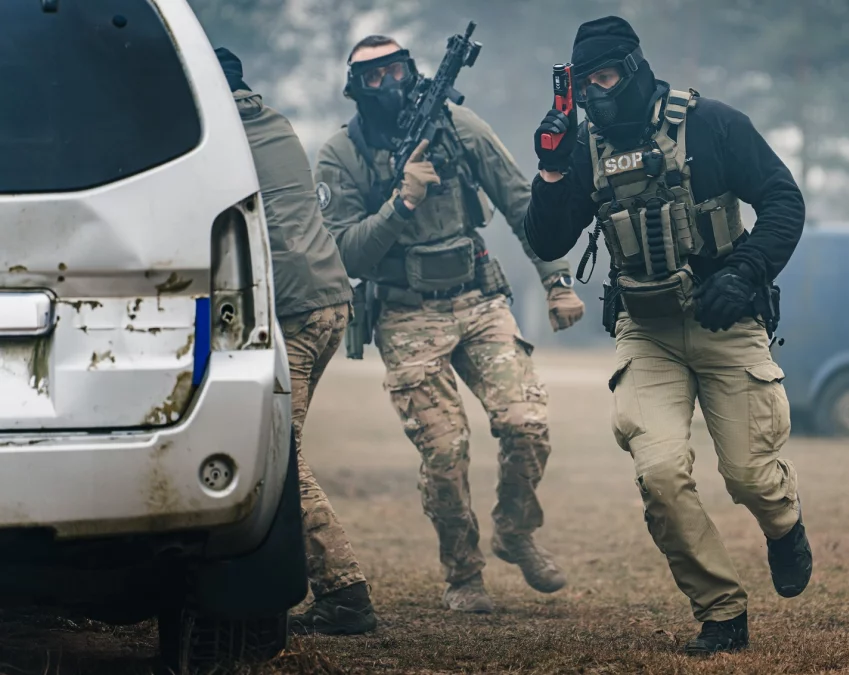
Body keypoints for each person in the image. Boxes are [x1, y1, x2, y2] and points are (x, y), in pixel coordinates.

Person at [523, 17, 813, 655]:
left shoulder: (712, 124)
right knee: (658, 473)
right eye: (583, 83)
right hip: (646, 330)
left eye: (604, 77)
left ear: (632, 69)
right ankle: (721, 611)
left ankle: (785, 523)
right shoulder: (585, 147)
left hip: (727, 318)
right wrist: (550, 169)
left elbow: (784, 201)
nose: (595, 93)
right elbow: (547, 240)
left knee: (749, 475)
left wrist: (744, 271)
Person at [314, 35, 585, 614]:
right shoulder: (342, 154)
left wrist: (557, 280)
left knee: (527, 422)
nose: (388, 84)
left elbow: (522, 202)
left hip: (478, 298)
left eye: (395, 70)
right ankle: (463, 574)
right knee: (445, 451)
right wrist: (401, 204)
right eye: (372, 77)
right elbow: (345, 254)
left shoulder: (460, 127)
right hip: (405, 311)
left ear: (412, 70)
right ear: (355, 87)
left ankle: (515, 531)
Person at [213, 48, 377, 635]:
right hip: (332, 298)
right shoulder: (276, 123)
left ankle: (346, 595)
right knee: (279, 447)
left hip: (294, 310)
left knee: (279, 459)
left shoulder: (218, 137)